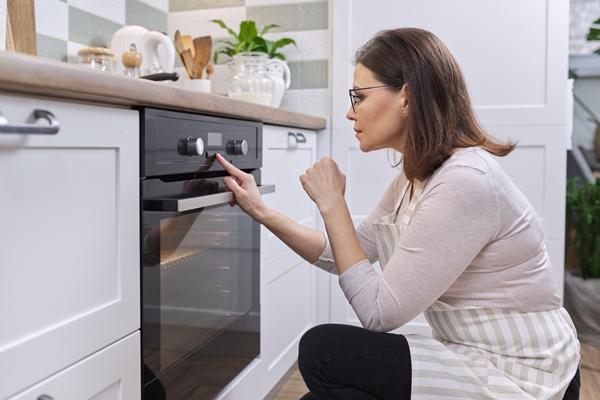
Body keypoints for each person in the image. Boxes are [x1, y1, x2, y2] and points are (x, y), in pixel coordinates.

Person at [215, 27, 581, 400]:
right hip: (470, 354)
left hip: (524, 371)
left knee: (322, 350)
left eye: (359, 97)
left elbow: (379, 313)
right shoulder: (414, 178)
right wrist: (261, 210)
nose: (349, 110)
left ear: (406, 96)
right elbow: (341, 252)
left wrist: (333, 204)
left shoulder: (466, 181)